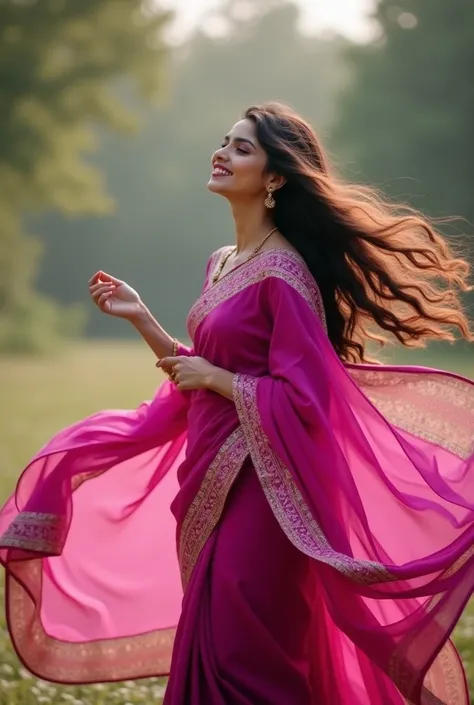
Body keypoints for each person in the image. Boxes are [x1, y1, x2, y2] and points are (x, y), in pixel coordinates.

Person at [1, 103, 474, 705]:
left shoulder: (284, 275)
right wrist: (142, 318)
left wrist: (221, 380)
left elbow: (308, 398)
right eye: (224, 141)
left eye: (242, 148)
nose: (221, 153)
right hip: (209, 487)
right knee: (216, 646)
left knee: (248, 658)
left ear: (276, 177)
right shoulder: (224, 264)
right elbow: (202, 370)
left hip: (267, 497)